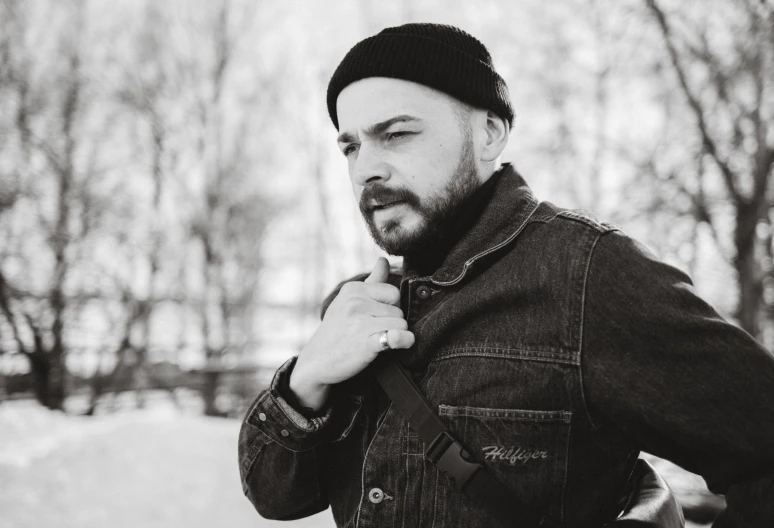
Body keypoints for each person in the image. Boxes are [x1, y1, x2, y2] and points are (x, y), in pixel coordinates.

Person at [238, 23, 774, 527]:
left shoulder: (587, 273)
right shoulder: (358, 304)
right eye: (351, 145)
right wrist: (306, 381)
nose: (364, 169)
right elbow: (276, 496)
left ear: (489, 134)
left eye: (396, 133)